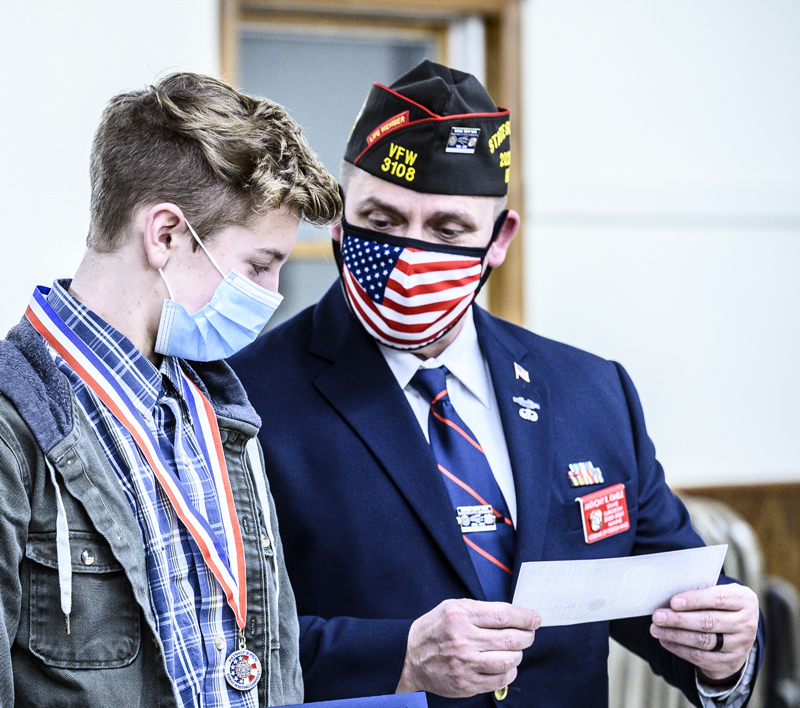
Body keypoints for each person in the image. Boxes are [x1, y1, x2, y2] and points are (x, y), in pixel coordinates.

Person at [229, 61, 762, 708]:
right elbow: (216, 643)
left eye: (447, 230)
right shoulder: (244, 398)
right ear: (340, 224)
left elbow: (668, 598)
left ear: (499, 239)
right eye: (383, 220)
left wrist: (724, 653)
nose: (409, 255)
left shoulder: (590, 392)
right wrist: (400, 658)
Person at [0, 72, 341, 707]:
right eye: (259, 266)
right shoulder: (13, 425)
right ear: (165, 235)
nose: (272, 296)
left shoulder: (217, 410)